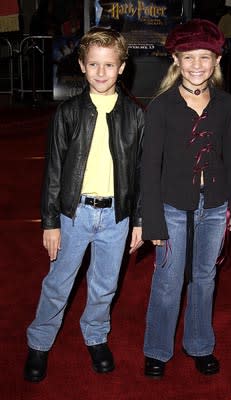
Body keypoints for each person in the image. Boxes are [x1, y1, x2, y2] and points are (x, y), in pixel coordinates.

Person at [24, 27, 144, 382]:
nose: (102, 72)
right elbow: (54, 170)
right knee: (59, 281)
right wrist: (50, 222)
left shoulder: (136, 116)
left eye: (109, 65)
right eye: (94, 64)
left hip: (116, 216)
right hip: (73, 213)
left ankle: (95, 335)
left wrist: (139, 220)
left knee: (105, 283)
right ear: (82, 65)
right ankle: (40, 342)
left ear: (122, 67)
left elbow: (141, 173)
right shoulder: (68, 113)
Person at [141, 19, 231, 378]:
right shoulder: (160, 107)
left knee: (205, 278)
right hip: (172, 205)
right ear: (176, 60)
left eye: (204, 57)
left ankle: (200, 345)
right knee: (168, 279)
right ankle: (157, 349)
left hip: (216, 204)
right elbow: (149, 168)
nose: (196, 66)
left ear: (217, 61)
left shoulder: (225, 104)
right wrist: (152, 221)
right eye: (188, 58)